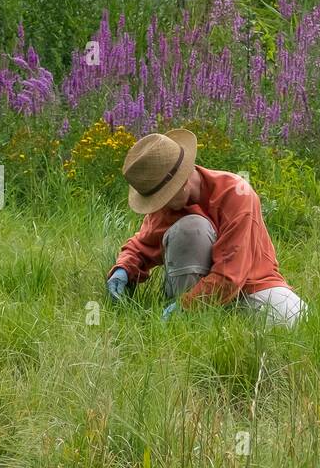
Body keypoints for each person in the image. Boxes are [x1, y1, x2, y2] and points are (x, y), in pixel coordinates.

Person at [105, 128, 305, 327]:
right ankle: (188, 326)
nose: (159, 206)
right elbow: (142, 245)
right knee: (192, 227)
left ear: (182, 183)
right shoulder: (169, 205)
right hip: (192, 292)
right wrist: (123, 269)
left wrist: (186, 306)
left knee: (298, 318)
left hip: (250, 285)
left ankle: (202, 318)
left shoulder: (236, 195)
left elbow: (230, 276)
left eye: (162, 198)